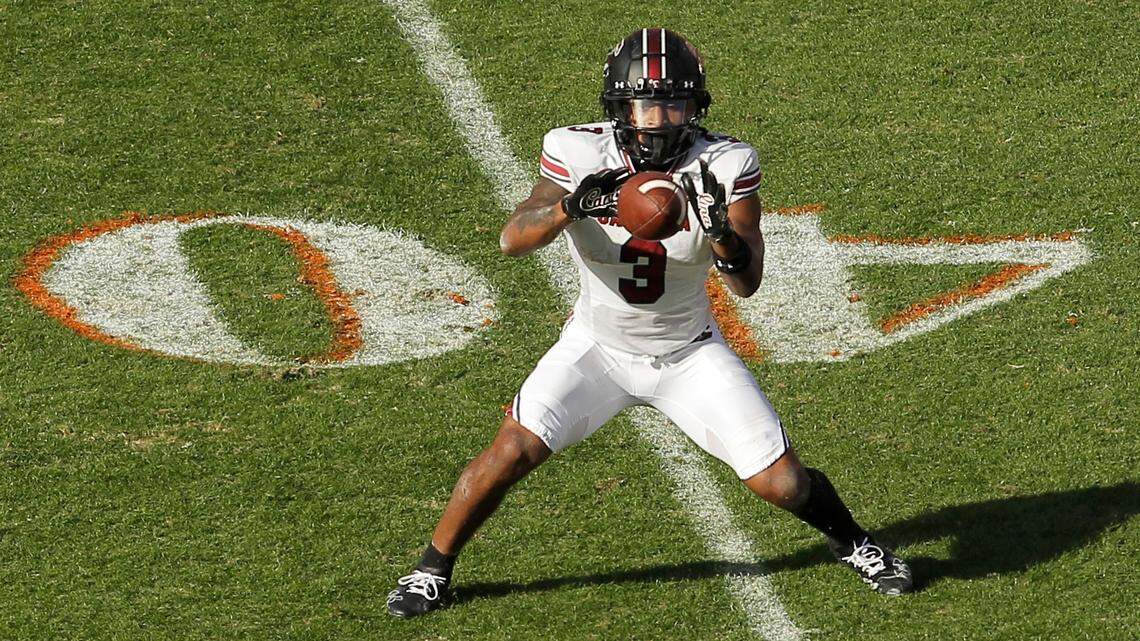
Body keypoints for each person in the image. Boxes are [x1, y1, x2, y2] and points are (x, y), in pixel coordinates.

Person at [386, 28, 913, 618]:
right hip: (596, 346)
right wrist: (571, 205)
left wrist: (721, 236)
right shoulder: (578, 151)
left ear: (696, 106)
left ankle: (858, 543)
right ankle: (432, 568)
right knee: (509, 453)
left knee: (783, 484)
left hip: (689, 352)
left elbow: (746, 283)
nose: (661, 120)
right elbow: (513, 239)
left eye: (676, 103)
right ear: (618, 107)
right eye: (647, 104)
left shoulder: (727, 163)